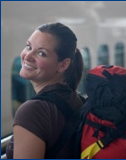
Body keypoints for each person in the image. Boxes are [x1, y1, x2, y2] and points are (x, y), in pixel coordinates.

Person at [6, 22, 84, 159]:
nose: (27, 56)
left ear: (63, 64)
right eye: (28, 46)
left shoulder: (33, 111)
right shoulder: (76, 99)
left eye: (41, 53)